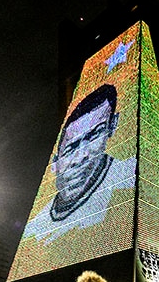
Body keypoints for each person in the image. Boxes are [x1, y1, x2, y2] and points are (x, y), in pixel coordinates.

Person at [23, 83, 136, 245]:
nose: (82, 156)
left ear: (112, 126)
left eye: (94, 135)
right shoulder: (35, 229)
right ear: (55, 163)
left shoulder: (129, 182)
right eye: (71, 148)